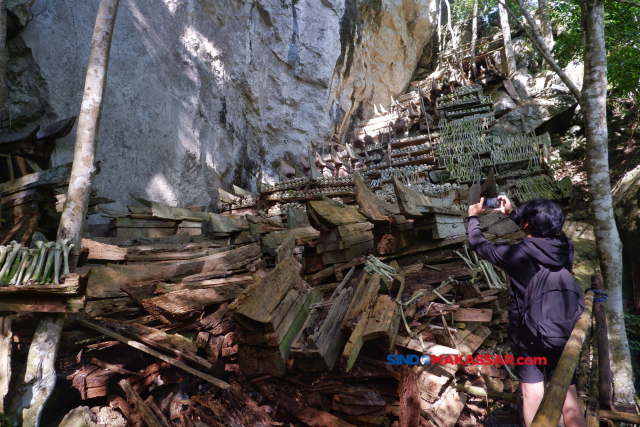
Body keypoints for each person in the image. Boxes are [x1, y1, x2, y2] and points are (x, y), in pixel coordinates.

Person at [467, 196, 587, 427]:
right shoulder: (566, 248)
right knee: (568, 396)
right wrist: (513, 215)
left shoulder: (518, 255)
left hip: (529, 336)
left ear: (526, 225)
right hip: (563, 331)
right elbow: (539, 237)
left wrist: (473, 217)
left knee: (533, 395)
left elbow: (479, 244)